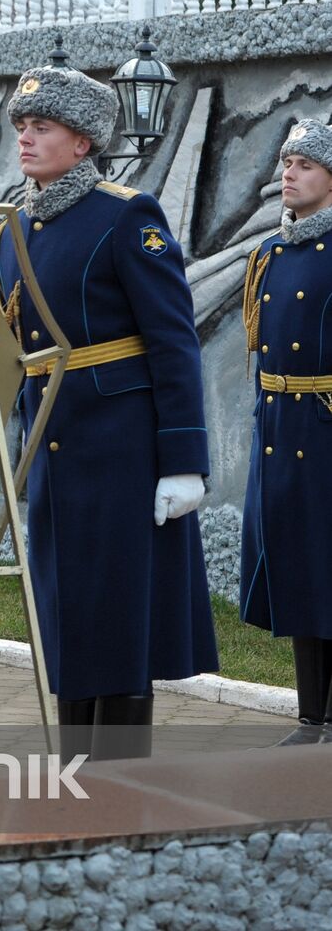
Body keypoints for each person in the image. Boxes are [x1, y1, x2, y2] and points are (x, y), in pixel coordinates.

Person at [0, 63, 217, 760]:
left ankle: (119, 777)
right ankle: (74, 767)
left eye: (42, 127)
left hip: (122, 449)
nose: (25, 139)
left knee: (118, 615)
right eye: (21, 127)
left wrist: (183, 461)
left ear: (82, 142)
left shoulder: (125, 216)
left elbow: (172, 341)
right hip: (53, 446)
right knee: (66, 611)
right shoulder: (14, 228)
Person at [239, 118, 332, 745]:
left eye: (304, 164)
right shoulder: (269, 253)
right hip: (278, 425)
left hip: (325, 426)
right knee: (299, 567)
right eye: (286, 162)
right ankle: (310, 717)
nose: (288, 174)